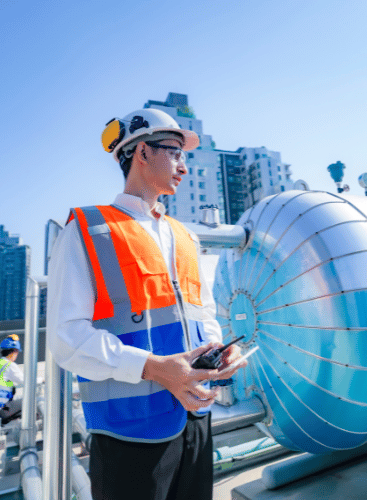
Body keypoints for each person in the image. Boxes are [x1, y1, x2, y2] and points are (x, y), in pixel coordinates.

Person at [47, 108, 246, 500]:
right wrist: (154, 368)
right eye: (174, 153)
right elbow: (66, 338)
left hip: (196, 421)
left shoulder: (185, 236)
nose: (183, 167)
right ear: (141, 153)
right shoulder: (87, 231)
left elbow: (202, 314)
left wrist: (219, 350)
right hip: (129, 433)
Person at [0, 334, 43, 424]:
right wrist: (41, 380)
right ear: (14, 351)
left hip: (3, 406)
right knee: (37, 400)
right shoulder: (9, 365)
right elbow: (28, 381)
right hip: (3, 409)